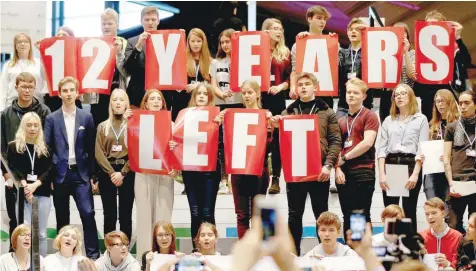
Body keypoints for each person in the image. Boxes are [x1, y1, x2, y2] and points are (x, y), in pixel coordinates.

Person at [272, 72, 341, 255]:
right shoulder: (287, 113)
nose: (303, 87)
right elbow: (280, 145)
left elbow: (335, 141)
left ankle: (326, 255)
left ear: (315, 87)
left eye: (307, 84)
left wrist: (328, 165)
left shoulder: (327, 112)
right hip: (296, 173)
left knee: (322, 215)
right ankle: (293, 256)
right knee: (294, 216)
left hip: (320, 172)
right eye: (300, 84)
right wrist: (276, 126)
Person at [44, 76, 100, 259]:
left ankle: (93, 256)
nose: (68, 94)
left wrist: (94, 175)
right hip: (60, 175)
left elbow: (92, 148)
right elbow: (47, 147)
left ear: (78, 93)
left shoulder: (87, 116)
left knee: (88, 213)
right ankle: (63, 256)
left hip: (81, 174)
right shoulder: (52, 118)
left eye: (71, 90)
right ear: (59, 94)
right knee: (62, 217)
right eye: (65, 91)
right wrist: (50, 176)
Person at [214, 80, 273, 239]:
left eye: (250, 92)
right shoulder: (233, 116)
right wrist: (219, 122)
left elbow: (270, 147)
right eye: (244, 93)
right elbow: (225, 144)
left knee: (258, 215)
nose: (246, 96)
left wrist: (270, 128)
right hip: (239, 171)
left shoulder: (266, 116)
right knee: (242, 215)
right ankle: (244, 252)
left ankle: (259, 251)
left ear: (257, 94)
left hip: (259, 171)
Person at [0, 72, 50, 252]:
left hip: (38, 182)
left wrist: (40, 181)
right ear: (16, 87)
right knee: (17, 223)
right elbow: (2, 148)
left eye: (30, 87)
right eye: (23, 86)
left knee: (40, 232)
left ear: (34, 88)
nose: (27, 90)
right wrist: (9, 177)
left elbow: (48, 148)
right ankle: (16, 259)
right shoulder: (6, 114)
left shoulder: (44, 111)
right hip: (13, 179)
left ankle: (38, 264)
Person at [169, 84, 220, 246]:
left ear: (210, 97)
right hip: (190, 171)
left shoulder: (216, 117)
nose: (202, 96)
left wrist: (221, 125)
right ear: (194, 96)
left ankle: (210, 250)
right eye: (199, 93)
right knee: (195, 212)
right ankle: (196, 249)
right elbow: (177, 139)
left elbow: (224, 143)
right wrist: (173, 145)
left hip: (210, 171)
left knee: (207, 213)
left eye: (205, 94)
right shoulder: (184, 115)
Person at [377, 84, 429, 232]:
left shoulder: (421, 119)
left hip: (411, 165)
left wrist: (415, 174)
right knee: (391, 211)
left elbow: (421, 148)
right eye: (396, 95)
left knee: (409, 209)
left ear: (411, 96)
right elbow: (381, 150)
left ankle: (410, 248)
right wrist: (382, 174)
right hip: (391, 163)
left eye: (403, 93)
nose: (399, 97)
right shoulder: (388, 120)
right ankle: (391, 246)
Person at [335, 78, 379, 240]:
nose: (351, 95)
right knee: (347, 214)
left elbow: (367, 143)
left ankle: (363, 253)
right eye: (348, 92)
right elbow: (336, 148)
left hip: (364, 171)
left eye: (355, 92)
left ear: (364, 96)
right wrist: (337, 168)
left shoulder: (370, 116)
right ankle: (350, 252)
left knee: (361, 214)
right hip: (344, 173)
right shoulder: (341, 121)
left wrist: (344, 158)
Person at [135, 89, 175, 258]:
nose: (157, 102)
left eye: (159, 99)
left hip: (165, 174)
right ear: (146, 103)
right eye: (152, 99)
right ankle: (144, 259)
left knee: (163, 217)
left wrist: (175, 150)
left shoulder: (171, 124)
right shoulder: (136, 122)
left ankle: (163, 258)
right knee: (144, 218)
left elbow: (178, 152)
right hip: (143, 174)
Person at [5, 112, 52, 257]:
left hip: (42, 194)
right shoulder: (13, 147)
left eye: (36, 125)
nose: (32, 128)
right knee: (24, 233)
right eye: (29, 125)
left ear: (40, 128)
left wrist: (35, 185)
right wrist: (25, 185)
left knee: (42, 234)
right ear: (23, 127)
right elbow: (12, 168)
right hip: (22, 195)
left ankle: (40, 264)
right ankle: (24, 264)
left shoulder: (46, 149)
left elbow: (49, 170)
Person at [416, 10, 472, 121]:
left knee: (451, 126)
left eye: (436, 25)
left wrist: (458, 37)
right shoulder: (421, 48)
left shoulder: (453, 46)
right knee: (432, 130)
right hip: (428, 99)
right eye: (429, 25)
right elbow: (418, 87)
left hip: (449, 94)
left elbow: (466, 61)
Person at [95, 89, 134, 241]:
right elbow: (98, 152)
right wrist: (112, 173)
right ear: (110, 103)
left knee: (125, 214)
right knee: (109, 214)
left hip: (127, 172)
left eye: (121, 100)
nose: (118, 103)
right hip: (108, 173)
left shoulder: (132, 125)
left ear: (126, 104)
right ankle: (110, 248)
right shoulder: (102, 126)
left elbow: (136, 151)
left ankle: (124, 248)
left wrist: (123, 173)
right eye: (115, 100)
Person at [261, 18, 291, 195]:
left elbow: (289, 78)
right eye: (274, 29)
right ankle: (261, 175)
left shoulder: (285, 52)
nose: (278, 32)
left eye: (280, 29)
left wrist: (280, 86)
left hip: (278, 99)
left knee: (279, 140)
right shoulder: (256, 51)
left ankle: (276, 179)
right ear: (266, 31)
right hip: (260, 100)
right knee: (263, 139)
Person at [209, 28, 241, 195]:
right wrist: (221, 94)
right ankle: (223, 180)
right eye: (222, 42)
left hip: (240, 104)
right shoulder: (215, 62)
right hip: (221, 104)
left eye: (228, 41)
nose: (225, 45)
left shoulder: (243, 60)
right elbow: (213, 84)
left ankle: (236, 179)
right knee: (221, 143)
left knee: (237, 143)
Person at [89, 8, 129, 128]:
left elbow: (126, 73)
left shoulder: (126, 44)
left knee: (118, 128)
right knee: (99, 128)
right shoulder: (93, 44)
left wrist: (119, 53)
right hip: (99, 95)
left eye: (110, 23)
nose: (106, 27)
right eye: (104, 24)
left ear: (117, 25)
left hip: (118, 91)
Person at [443, 90, 476, 233]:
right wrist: (451, 184)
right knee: (453, 225)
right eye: (460, 103)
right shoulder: (452, 127)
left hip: (474, 180)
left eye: (467, 103)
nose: (462, 106)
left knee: (474, 225)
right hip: (457, 182)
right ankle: (454, 255)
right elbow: (446, 158)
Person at [290, 5, 334, 108]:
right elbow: (295, 69)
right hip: (305, 94)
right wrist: (293, 86)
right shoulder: (299, 44)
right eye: (319, 18)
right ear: (309, 19)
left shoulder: (332, 43)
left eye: (325, 19)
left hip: (325, 93)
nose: (322, 22)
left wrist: (335, 45)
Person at [422, 89, 459, 202]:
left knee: (449, 212)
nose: (440, 104)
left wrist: (450, 155)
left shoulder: (458, 124)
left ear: (450, 102)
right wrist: (424, 156)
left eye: (443, 101)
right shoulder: (432, 125)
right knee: (434, 206)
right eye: (438, 101)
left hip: (452, 170)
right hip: (434, 170)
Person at [171, 28, 212, 121]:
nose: (195, 44)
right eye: (192, 41)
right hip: (182, 101)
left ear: (203, 42)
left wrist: (198, 86)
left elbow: (213, 85)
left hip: (201, 104)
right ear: (188, 42)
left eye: (198, 41)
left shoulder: (210, 61)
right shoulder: (181, 58)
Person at [38, 27, 83, 113]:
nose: (60, 37)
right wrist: (42, 54)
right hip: (52, 97)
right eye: (58, 35)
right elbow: (44, 77)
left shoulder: (77, 55)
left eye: (64, 35)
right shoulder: (49, 54)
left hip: (72, 96)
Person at [336, 18, 373, 120]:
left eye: (358, 29)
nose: (353, 31)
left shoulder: (370, 52)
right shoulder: (341, 53)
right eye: (351, 29)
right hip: (344, 106)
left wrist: (368, 30)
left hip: (364, 105)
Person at [123, 6, 160, 108]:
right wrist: (138, 46)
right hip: (137, 94)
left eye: (153, 19)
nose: (150, 22)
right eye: (147, 20)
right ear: (141, 21)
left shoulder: (168, 41)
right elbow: (128, 69)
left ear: (158, 21)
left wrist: (179, 38)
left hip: (160, 94)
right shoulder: (132, 41)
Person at [379, 22, 416, 122]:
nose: (400, 34)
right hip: (388, 95)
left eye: (403, 32)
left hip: (405, 95)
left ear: (407, 36)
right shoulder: (385, 52)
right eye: (396, 31)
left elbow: (411, 74)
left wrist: (406, 52)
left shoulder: (412, 53)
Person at [0, 33, 45, 111]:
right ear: (15, 46)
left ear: (30, 45)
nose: (23, 44)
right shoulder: (8, 65)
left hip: (36, 106)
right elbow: (3, 89)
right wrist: (2, 109)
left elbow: (46, 79)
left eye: (26, 41)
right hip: (12, 106)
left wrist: (42, 52)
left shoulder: (39, 63)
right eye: (19, 42)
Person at [420, 197, 462, 269]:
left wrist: (447, 263)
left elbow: (460, 267)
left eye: (434, 213)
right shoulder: (421, 236)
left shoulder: (458, 236)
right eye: (427, 214)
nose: (430, 217)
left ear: (443, 214)